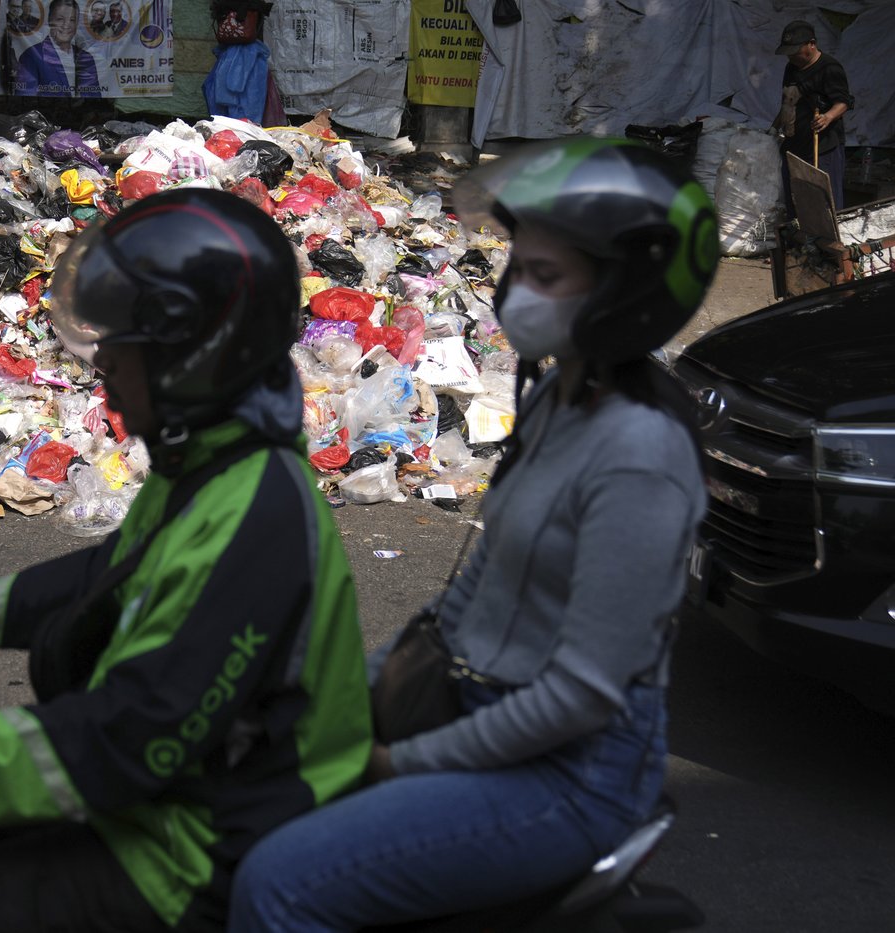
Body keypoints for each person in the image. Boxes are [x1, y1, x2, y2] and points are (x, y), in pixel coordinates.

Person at [0, 188, 373, 932]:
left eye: (126, 344)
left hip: (207, 849)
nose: (103, 366)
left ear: (195, 354)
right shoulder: (212, 465)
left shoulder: (258, 513)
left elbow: (131, 736)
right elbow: (104, 579)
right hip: (170, 804)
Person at [228, 138, 719, 931]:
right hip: (471, 706)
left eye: (547, 276)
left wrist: (394, 760)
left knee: (277, 884)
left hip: (568, 775)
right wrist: (344, 691)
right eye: (518, 268)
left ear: (629, 292)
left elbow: (580, 694)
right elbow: (472, 596)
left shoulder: (641, 455)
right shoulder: (562, 393)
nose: (517, 294)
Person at [773, 18, 855, 211]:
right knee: (796, 200)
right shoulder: (791, 68)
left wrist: (828, 117)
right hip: (794, 146)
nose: (791, 57)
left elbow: (843, 102)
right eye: (788, 52)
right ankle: (800, 238)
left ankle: (829, 241)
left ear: (812, 44)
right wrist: (774, 127)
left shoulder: (829, 68)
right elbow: (788, 101)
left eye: (795, 51)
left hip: (822, 146)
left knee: (825, 202)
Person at [13, 0, 101, 98]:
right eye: (60, 19)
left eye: (72, 20)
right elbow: (25, 100)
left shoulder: (86, 58)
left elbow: (95, 99)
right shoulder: (31, 56)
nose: (66, 25)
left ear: (77, 24)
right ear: (50, 21)